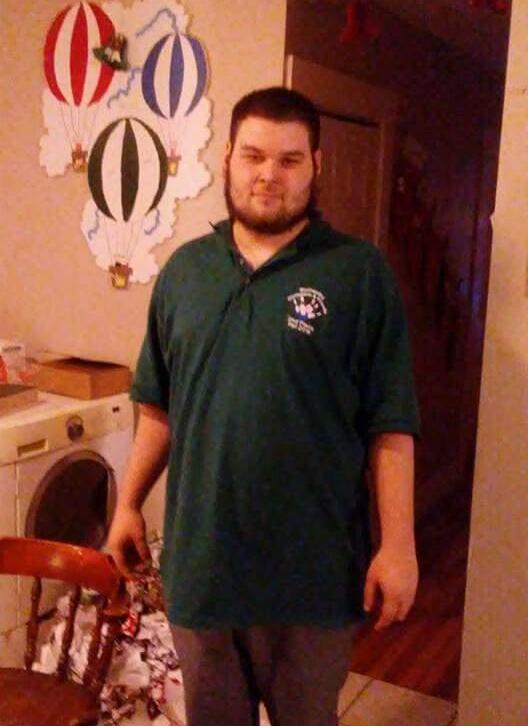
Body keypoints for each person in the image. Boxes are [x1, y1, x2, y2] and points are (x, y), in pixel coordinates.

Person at [107, 87, 420, 726]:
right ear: (227, 157)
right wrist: (128, 503)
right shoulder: (185, 272)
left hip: (312, 579)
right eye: (253, 156)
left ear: (316, 166)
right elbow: (158, 407)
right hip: (204, 571)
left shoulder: (358, 274)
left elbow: (390, 423)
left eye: (289, 159)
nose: (268, 174)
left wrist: (398, 546)